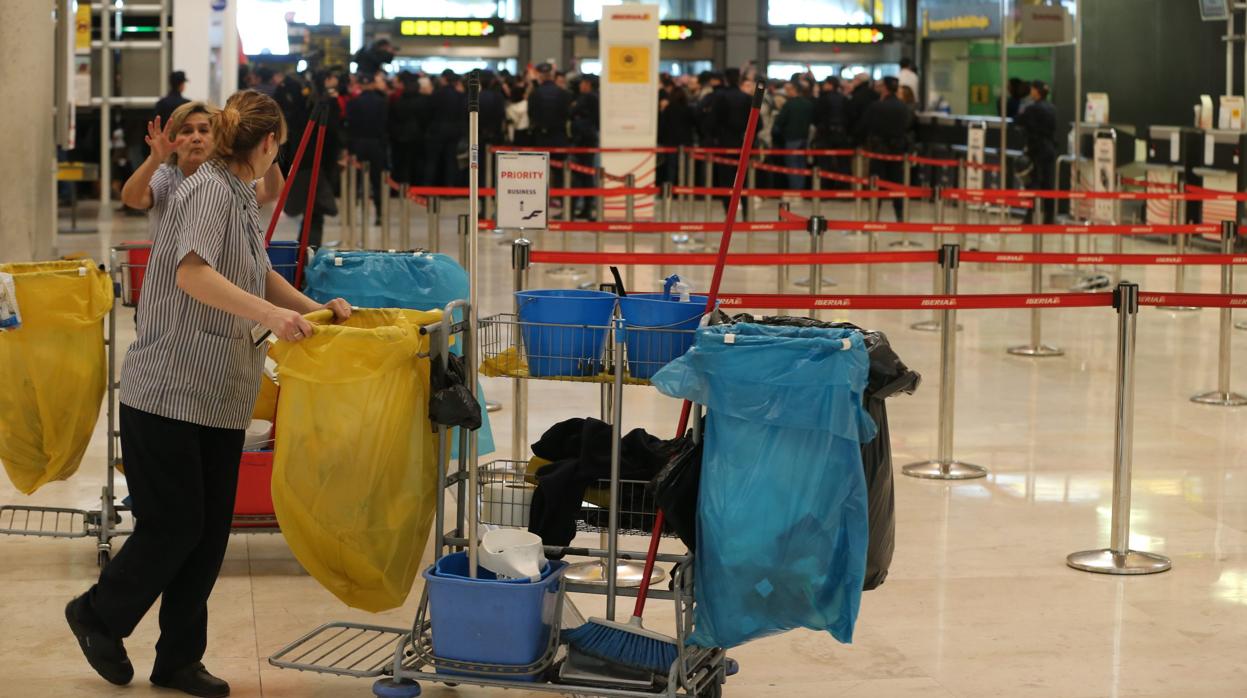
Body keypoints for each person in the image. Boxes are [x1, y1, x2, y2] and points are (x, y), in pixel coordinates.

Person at [65, 89, 351, 698]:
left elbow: (256, 271)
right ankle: (97, 614)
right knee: (174, 527)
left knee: (208, 533)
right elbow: (191, 274)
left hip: (220, 389)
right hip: (168, 388)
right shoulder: (203, 190)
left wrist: (314, 309)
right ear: (270, 143)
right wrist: (273, 319)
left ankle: (177, 660)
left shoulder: (239, 196)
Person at [121, 101, 283, 238]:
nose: (196, 138)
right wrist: (154, 159)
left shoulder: (231, 175)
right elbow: (131, 199)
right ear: (173, 140)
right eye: (187, 131)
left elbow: (271, 191)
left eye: (204, 130)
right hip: (171, 272)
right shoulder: (167, 175)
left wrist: (270, 150)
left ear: (218, 137)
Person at [856, 76, 911, 221]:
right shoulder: (903, 107)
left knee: (876, 184)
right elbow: (908, 127)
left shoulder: (876, 106)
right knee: (896, 184)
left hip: (878, 150)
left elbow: (864, 125)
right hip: (897, 151)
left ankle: (874, 215)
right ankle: (900, 216)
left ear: (885, 87)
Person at [345, 71, 390, 222]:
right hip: (376, 144)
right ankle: (379, 214)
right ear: (372, 83)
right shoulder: (382, 102)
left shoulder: (353, 102)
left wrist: (350, 148)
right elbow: (385, 125)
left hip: (358, 144)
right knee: (377, 181)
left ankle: (351, 215)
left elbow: (349, 126)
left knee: (355, 181)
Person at [1017, 80, 1057, 223]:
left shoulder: (1032, 108)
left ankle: (1030, 216)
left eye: (1032, 89)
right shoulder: (1052, 108)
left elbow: (1019, 121)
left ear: (1036, 91)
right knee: (1048, 184)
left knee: (1033, 183)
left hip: (1036, 149)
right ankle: (1049, 218)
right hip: (1050, 149)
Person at [425, 69, 467, 187]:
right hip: (454, 132)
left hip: (436, 131)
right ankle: (450, 188)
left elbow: (429, 113)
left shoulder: (435, 94)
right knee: (451, 161)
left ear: (444, 79)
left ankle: (428, 187)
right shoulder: (460, 96)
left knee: (432, 161)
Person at [772, 79, 814, 190]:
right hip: (804, 138)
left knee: (792, 165)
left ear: (794, 90)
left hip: (791, 139)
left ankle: (795, 189)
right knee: (801, 164)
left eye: (788, 89)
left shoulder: (789, 105)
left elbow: (780, 122)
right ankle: (801, 188)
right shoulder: (808, 104)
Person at [389, 71, 429, 187]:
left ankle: (400, 186)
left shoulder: (397, 101)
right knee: (417, 163)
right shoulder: (424, 101)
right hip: (418, 137)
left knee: (401, 164)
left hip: (400, 138)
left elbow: (392, 120)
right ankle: (417, 187)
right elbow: (426, 119)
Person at [569, 74, 599, 219]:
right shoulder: (594, 97)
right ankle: (586, 207)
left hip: (584, 140)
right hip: (588, 139)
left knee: (582, 175)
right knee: (585, 175)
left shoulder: (588, 97)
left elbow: (572, 111)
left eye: (582, 83)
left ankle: (583, 207)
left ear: (588, 84)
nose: (580, 86)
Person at [657, 84, 697, 185]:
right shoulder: (688, 109)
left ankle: (670, 190)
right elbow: (694, 124)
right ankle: (686, 189)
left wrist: (661, 140)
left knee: (671, 167)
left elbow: (663, 126)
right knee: (687, 167)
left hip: (671, 143)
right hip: (686, 142)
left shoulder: (668, 109)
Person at [813, 76, 850, 182]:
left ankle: (824, 188)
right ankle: (843, 188)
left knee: (824, 163)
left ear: (830, 85)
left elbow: (817, 117)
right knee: (843, 163)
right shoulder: (843, 98)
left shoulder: (823, 99)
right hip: (841, 134)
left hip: (825, 134)